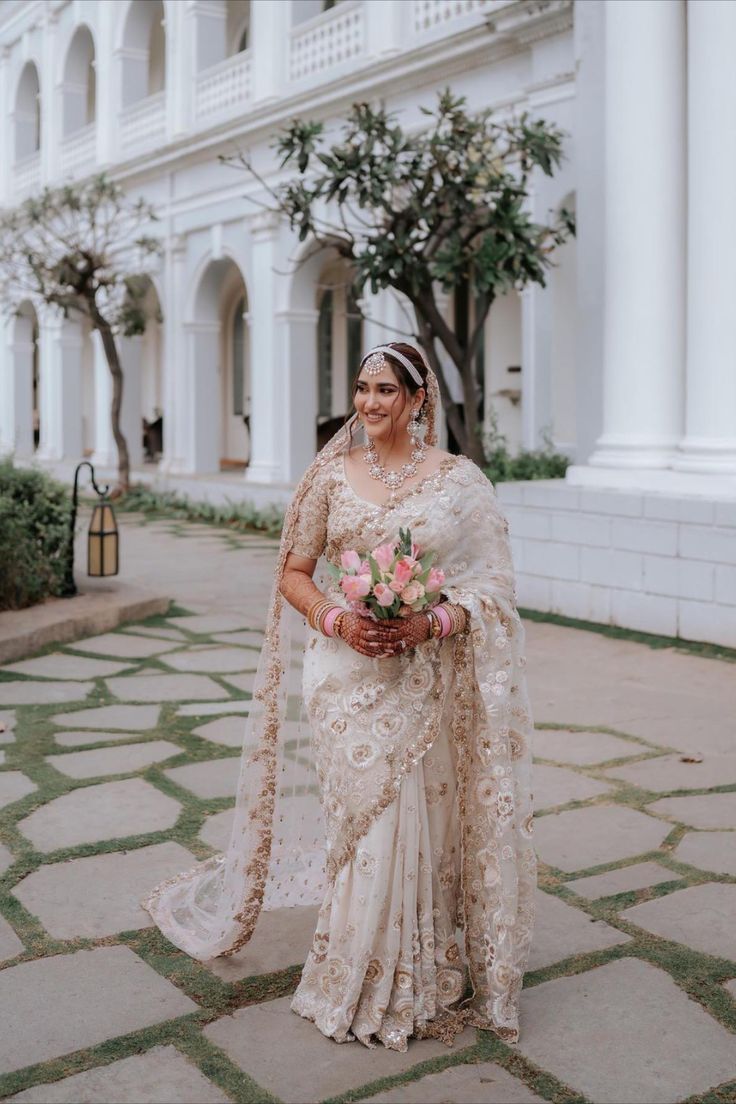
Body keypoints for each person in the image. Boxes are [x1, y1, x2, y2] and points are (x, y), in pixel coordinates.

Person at [144, 341, 536, 1053]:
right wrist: (340, 619)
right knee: (366, 818)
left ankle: (418, 972)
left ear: (418, 399)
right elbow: (295, 571)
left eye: (386, 390)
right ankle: (354, 974)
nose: (369, 403)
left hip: (425, 675)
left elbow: (495, 585)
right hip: (345, 674)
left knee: (418, 816)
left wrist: (429, 620)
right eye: (362, 389)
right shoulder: (329, 476)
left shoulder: (459, 481)